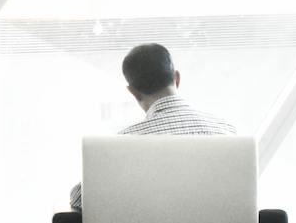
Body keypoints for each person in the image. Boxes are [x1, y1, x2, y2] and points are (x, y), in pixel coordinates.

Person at [69, 42, 235, 210]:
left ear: (133, 92)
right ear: (176, 78)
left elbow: (78, 198)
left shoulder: (121, 145)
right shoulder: (227, 132)